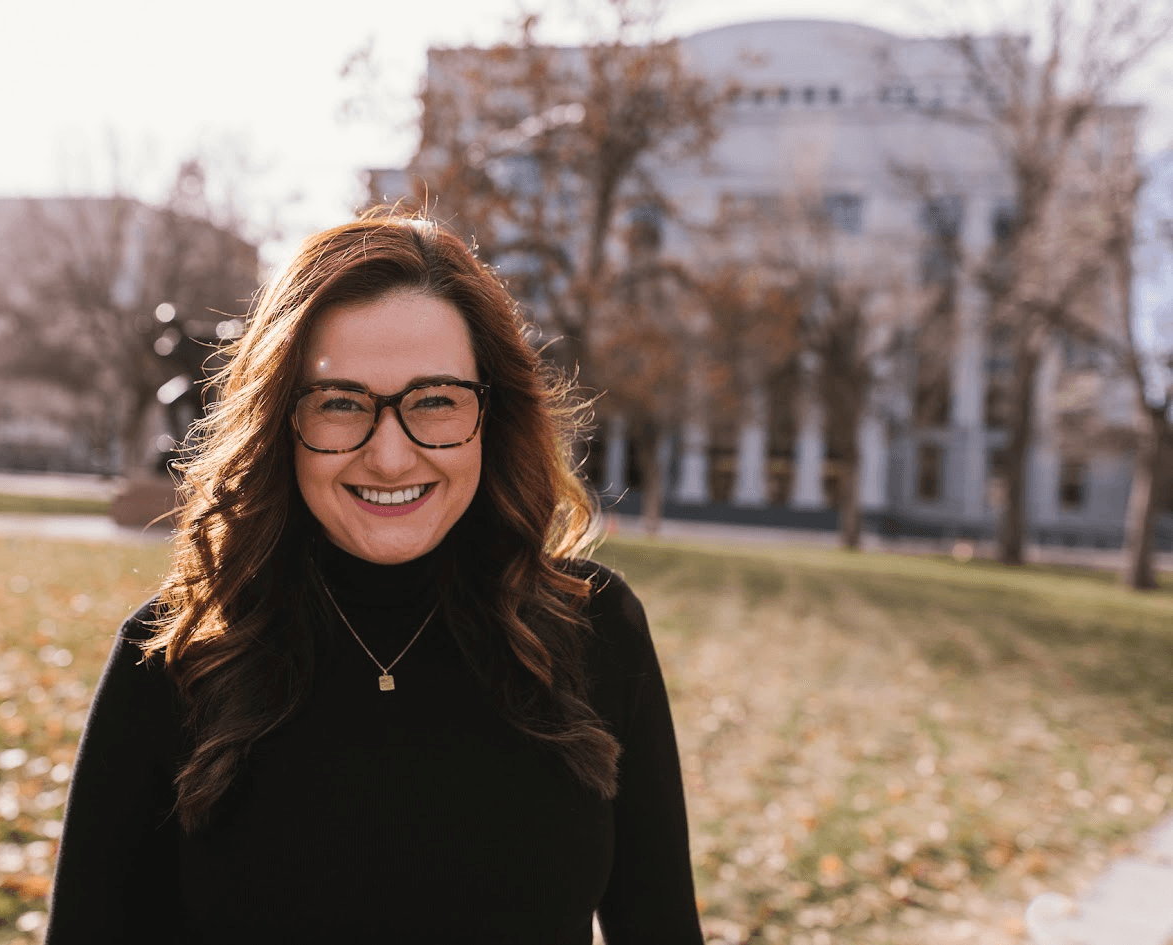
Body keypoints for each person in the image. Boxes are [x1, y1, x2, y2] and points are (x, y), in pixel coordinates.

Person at [46, 213, 703, 944]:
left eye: (436, 400)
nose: (390, 458)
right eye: (340, 403)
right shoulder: (174, 657)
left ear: (493, 413)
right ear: (280, 422)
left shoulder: (597, 630)